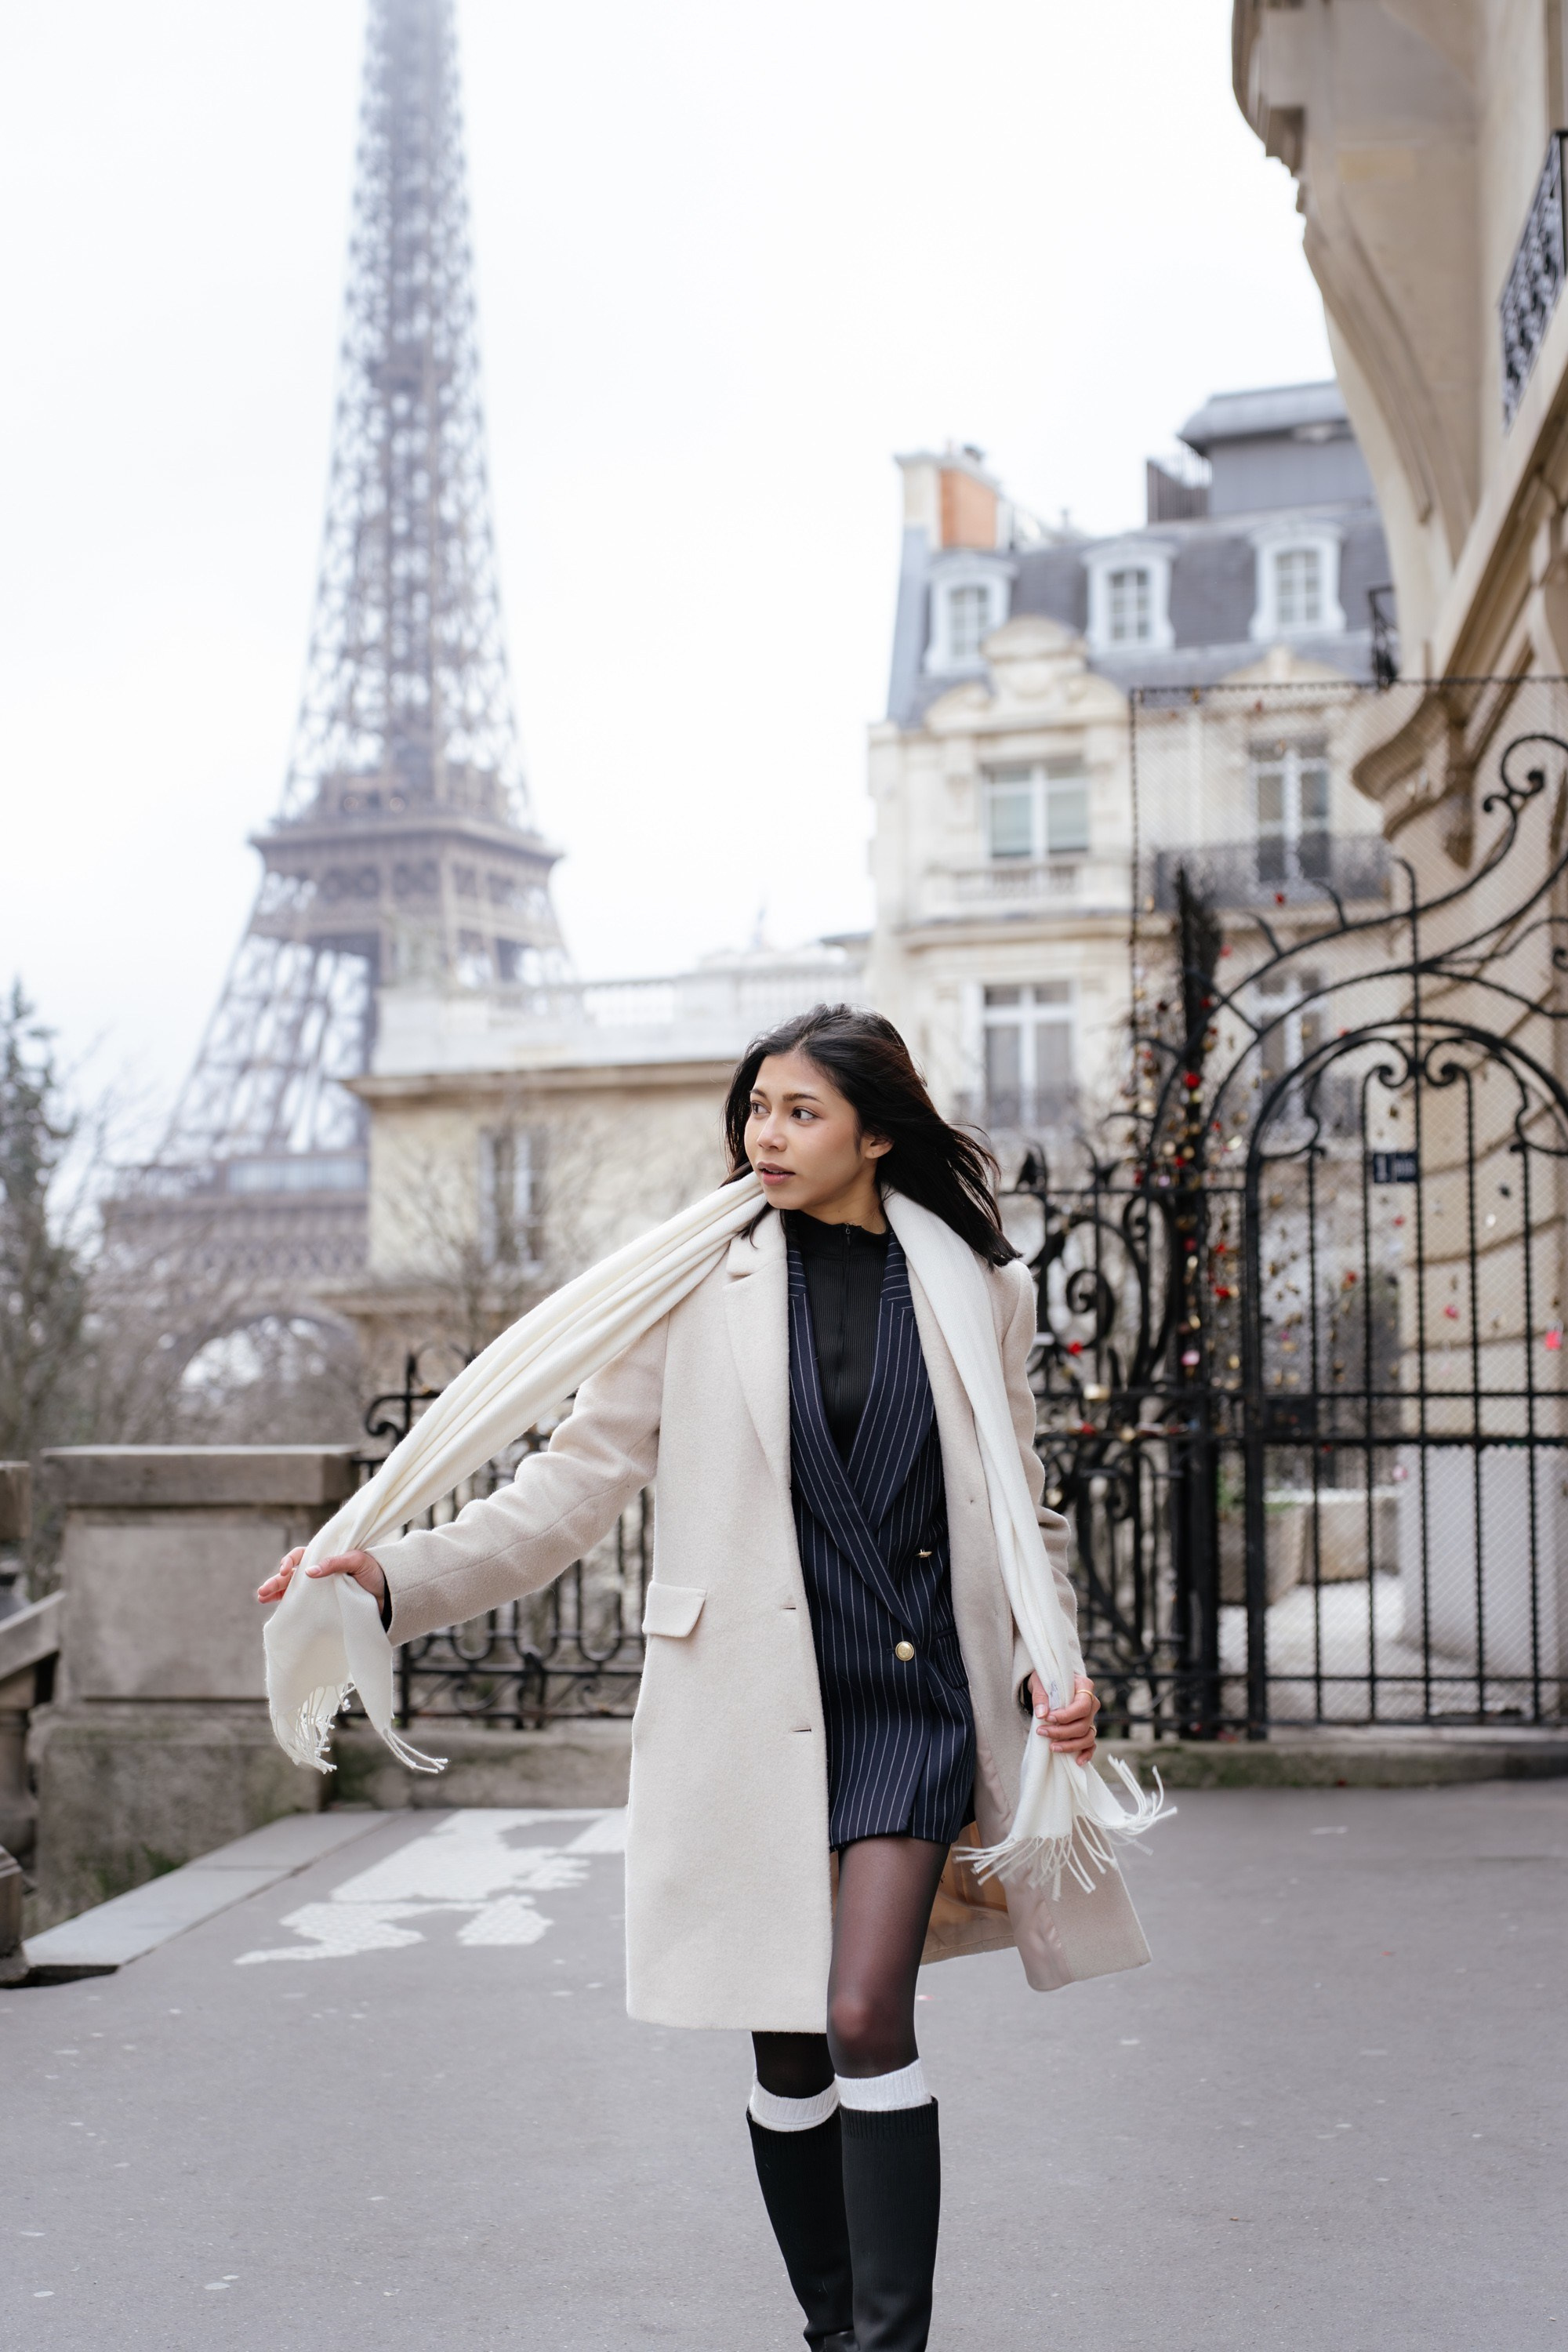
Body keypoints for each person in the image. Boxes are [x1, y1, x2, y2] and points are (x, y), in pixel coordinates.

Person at [259, 1004, 1149, 2351]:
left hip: (912, 1695)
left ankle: (886, 2346)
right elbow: (566, 1493)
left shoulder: (979, 1287)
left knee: (861, 2014)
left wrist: (1054, 1663)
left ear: (877, 1132)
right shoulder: (690, 1283)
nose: (766, 1135)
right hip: (747, 1703)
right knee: (785, 2046)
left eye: (800, 1111)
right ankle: (832, 2323)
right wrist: (387, 1575)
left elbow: (1022, 1507)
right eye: (757, 1108)